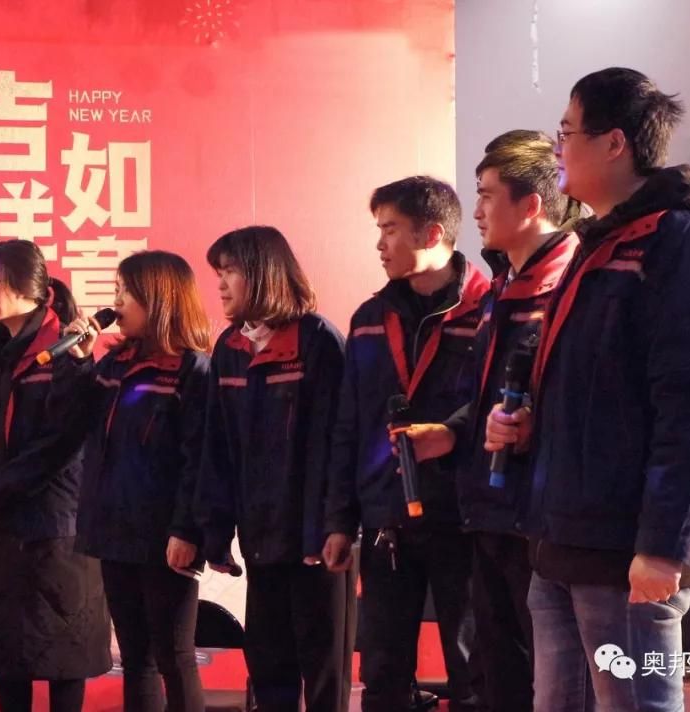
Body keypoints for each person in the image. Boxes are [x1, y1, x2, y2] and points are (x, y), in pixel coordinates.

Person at [486, 67, 690, 712]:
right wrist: (528, 424)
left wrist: (663, 545)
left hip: (624, 547)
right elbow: (597, 388)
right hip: (561, 537)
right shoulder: (597, 242)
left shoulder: (681, 238)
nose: (557, 149)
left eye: (567, 132)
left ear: (614, 143)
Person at [403, 132, 579, 711]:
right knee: (496, 675)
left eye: (485, 195)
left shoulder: (571, 282)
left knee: (557, 683)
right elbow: (488, 398)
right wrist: (452, 431)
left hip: (541, 520)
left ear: (530, 205)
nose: (475, 210)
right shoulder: (501, 287)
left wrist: (532, 426)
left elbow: (585, 401)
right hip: (488, 510)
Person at [321, 176, 487, 712]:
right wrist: (340, 521)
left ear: (432, 233)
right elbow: (348, 426)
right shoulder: (370, 318)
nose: (380, 244)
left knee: (474, 672)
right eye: (379, 230)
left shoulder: (488, 310)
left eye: (390, 230)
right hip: (385, 520)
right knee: (382, 672)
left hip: (465, 520)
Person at [195, 226, 354, 712]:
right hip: (260, 540)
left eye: (230, 271)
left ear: (263, 273)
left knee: (323, 673)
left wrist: (333, 525)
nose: (221, 284)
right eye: (219, 273)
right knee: (269, 667)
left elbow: (337, 444)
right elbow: (217, 448)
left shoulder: (318, 341)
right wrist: (215, 531)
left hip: (316, 544)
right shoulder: (228, 348)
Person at [0, 239, 112, 712]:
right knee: (7, 653)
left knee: (64, 654)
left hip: (53, 524)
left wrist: (0, 489)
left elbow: (64, 439)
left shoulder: (66, 351)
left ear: (25, 286)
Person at [60, 251, 211, 712]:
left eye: (125, 293)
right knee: (136, 659)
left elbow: (199, 460)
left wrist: (185, 529)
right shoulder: (113, 364)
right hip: (113, 531)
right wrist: (80, 362)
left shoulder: (192, 369)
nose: (116, 303)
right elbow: (76, 425)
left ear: (158, 298)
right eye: (116, 291)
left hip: (165, 537)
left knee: (174, 656)